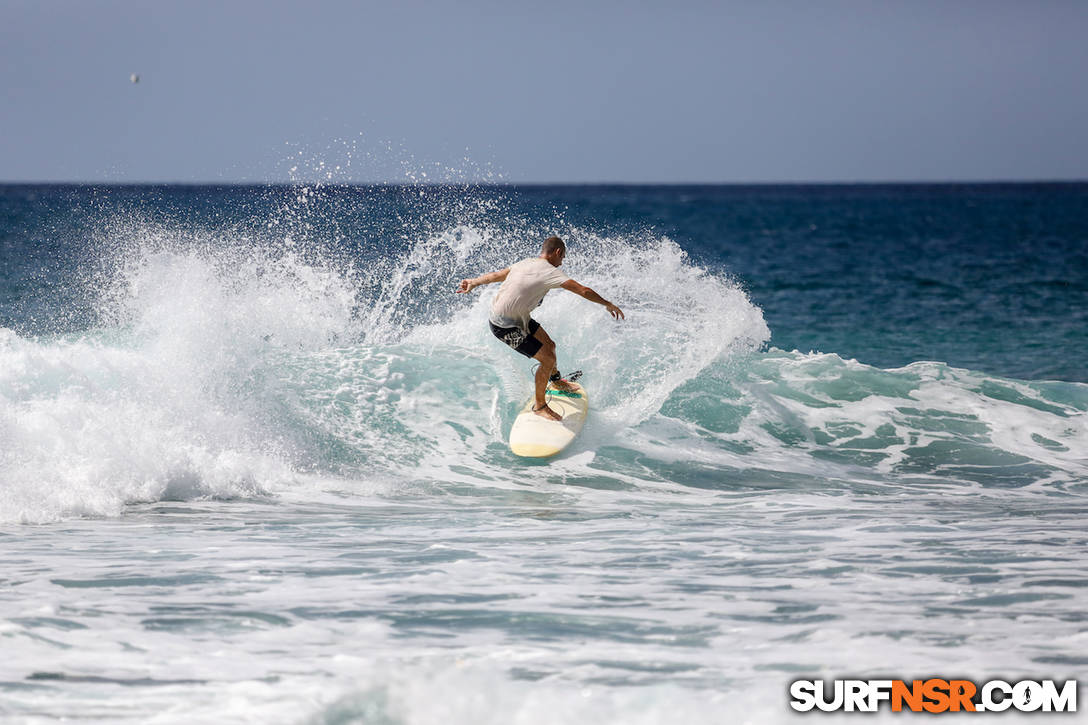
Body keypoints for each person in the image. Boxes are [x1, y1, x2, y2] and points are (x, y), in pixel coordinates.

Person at [456, 236, 624, 421]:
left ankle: (556, 381)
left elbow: (497, 275)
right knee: (547, 359)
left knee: (550, 346)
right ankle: (540, 406)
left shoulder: (525, 263)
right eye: (563, 258)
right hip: (503, 326)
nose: (562, 263)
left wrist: (474, 282)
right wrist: (607, 304)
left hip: (520, 319)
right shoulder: (550, 271)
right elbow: (583, 290)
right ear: (557, 252)